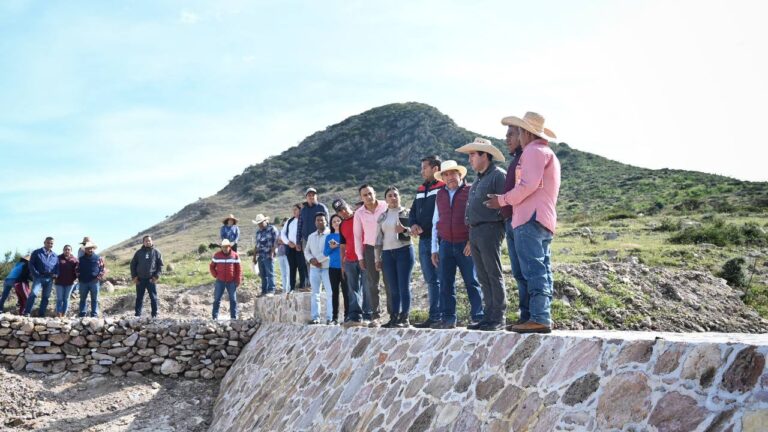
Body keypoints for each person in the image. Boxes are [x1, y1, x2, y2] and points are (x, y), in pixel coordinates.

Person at [487, 111, 560, 334]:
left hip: (529, 217)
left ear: (526, 132)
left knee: (533, 269)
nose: (515, 136)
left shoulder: (533, 151)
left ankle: (538, 317)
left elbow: (527, 185)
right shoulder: (546, 152)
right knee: (539, 268)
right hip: (540, 218)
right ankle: (534, 316)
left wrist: (502, 200)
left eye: (518, 131)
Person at [456, 137, 507, 331]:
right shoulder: (478, 179)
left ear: (485, 155)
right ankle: (488, 315)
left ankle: (498, 317)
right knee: (483, 275)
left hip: (491, 228)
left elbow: (505, 205)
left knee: (493, 273)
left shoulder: (498, 176)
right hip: (475, 230)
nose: (469, 159)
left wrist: (499, 226)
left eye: (472, 155)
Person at [429, 160, 484, 329]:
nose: (450, 177)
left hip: (465, 244)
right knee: (446, 283)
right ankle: (448, 318)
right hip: (445, 244)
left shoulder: (470, 190)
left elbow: (477, 217)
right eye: (446, 174)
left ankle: (478, 316)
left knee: (472, 281)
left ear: (460, 175)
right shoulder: (440, 194)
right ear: (443, 178)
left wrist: (471, 241)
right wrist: (434, 248)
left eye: (453, 173)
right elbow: (435, 221)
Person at [409, 155, 445, 328]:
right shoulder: (420, 188)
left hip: (439, 239)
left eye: (424, 167)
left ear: (435, 169)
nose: (421, 171)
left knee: (442, 277)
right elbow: (412, 211)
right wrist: (414, 224)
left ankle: (445, 315)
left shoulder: (443, 186)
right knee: (430, 279)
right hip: (423, 241)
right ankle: (434, 316)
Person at [375, 186, 415, 328]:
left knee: (404, 286)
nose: (393, 197)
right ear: (385, 199)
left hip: (404, 250)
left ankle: (405, 318)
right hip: (387, 254)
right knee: (392, 288)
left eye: (395, 195)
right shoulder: (382, 217)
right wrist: (377, 258)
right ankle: (394, 317)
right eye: (390, 196)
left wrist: (405, 230)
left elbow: (415, 232)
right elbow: (378, 240)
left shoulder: (408, 213)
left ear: (399, 197)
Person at [353, 184, 390, 327]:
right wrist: (360, 257)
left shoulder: (385, 205)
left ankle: (394, 315)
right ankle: (376, 316)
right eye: (364, 195)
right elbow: (357, 236)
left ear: (375, 193)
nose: (368, 197)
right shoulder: (359, 213)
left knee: (389, 282)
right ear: (361, 197)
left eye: (370, 193)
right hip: (369, 248)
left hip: (388, 246)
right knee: (372, 284)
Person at [334, 198, 366, 328]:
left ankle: (368, 314)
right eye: (339, 211)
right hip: (350, 260)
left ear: (348, 206)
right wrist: (343, 263)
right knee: (352, 289)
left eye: (344, 208)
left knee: (367, 287)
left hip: (363, 257)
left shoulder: (360, 217)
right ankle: (354, 315)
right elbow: (342, 245)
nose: (343, 212)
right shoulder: (342, 225)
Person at [304, 212, 333, 324]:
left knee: (330, 293)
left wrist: (318, 260)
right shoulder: (311, 236)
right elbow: (306, 251)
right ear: (315, 222)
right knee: (315, 293)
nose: (320, 222)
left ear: (326, 221)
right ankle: (316, 317)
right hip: (314, 268)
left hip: (327, 267)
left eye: (322, 220)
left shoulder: (331, 234)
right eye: (318, 220)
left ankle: (330, 318)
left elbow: (330, 251)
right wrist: (311, 260)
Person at [23, 237, 59, 317]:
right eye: (48, 243)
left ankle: (41, 314)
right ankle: (27, 312)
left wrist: (56, 274)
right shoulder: (37, 252)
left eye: (51, 243)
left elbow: (57, 266)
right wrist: (35, 274)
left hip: (49, 279)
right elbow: (31, 264)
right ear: (44, 242)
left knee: (46, 297)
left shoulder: (55, 255)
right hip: (39, 277)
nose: (50, 245)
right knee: (33, 294)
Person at [130, 235, 164, 318]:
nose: (148, 242)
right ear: (143, 242)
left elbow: (160, 266)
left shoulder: (156, 252)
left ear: (152, 241)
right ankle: (137, 315)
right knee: (139, 298)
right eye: (146, 241)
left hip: (151, 279)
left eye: (149, 240)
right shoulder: (138, 253)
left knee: (153, 297)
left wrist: (156, 276)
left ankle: (154, 315)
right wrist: (134, 277)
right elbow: (132, 264)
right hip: (140, 279)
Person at [209, 239, 242, 320]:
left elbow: (239, 269)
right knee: (217, 299)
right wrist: (215, 275)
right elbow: (211, 266)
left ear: (229, 247)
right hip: (220, 281)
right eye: (222, 247)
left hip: (231, 281)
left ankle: (233, 318)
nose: (224, 249)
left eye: (226, 247)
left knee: (233, 300)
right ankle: (214, 317)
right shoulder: (217, 255)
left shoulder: (235, 255)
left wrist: (238, 280)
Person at [324, 214, 347, 324]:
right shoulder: (329, 237)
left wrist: (340, 246)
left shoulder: (346, 234)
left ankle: (348, 316)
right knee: (335, 292)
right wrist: (331, 247)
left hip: (345, 267)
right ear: (331, 224)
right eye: (334, 221)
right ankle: (335, 318)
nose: (336, 223)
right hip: (333, 268)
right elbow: (325, 253)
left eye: (338, 220)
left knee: (347, 292)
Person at [282, 203, 308, 293]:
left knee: (301, 266)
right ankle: (292, 287)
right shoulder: (289, 221)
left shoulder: (304, 220)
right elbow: (283, 233)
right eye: (293, 210)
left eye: (296, 209)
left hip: (300, 247)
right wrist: (288, 242)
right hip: (290, 248)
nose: (294, 211)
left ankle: (302, 286)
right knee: (292, 268)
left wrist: (299, 243)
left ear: (300, 210)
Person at [76, 241, 106, 317]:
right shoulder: (80, 259)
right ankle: (82, 314)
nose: (90, 250)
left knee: (95, 299)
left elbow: (102, 269)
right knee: (82, 299)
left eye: (91, 248)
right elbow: (77, 269)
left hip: (94, 282)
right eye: (88, 249)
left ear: (93, 249)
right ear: (85, 249)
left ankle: (94, 315)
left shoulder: (98, 258)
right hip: (83, 282)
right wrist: (79, 278)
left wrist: (98, 278)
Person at [253, 213, 279, 297]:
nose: (259, 225)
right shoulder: (258, 232)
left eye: (261, 223)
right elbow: (256, 245)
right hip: (260, 255)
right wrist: (254, 257)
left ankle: (271, 290)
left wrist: (272, 252)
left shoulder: (272, 229)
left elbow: (276, 241)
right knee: (262, 274)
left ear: (265, 221)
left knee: (270, 273)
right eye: (258, 223)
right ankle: (264, 291)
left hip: (268, 254)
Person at [54, 245, 78, 317]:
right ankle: (59, 313)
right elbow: (54, 267)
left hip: (70, 283)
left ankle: (64, 314)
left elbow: (77, 270)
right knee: (59, 299)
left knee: (66, 299)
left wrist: (76, 278)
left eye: (69, 249)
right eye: (65, 249)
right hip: (59, 282)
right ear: (63, 250)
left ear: (71, 251)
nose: (67, 251)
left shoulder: (75, 259)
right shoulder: (58, 258)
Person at [276, 228, 290, 293]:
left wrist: (283, 241)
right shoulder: (280, 232)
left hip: (287, 254)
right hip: (280, 254)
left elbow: (287, 242)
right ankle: (284, 288)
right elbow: (277, 242)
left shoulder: (289, 232)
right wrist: (283, 241)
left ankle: (288, 288)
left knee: (288, 272)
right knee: (283, 273)